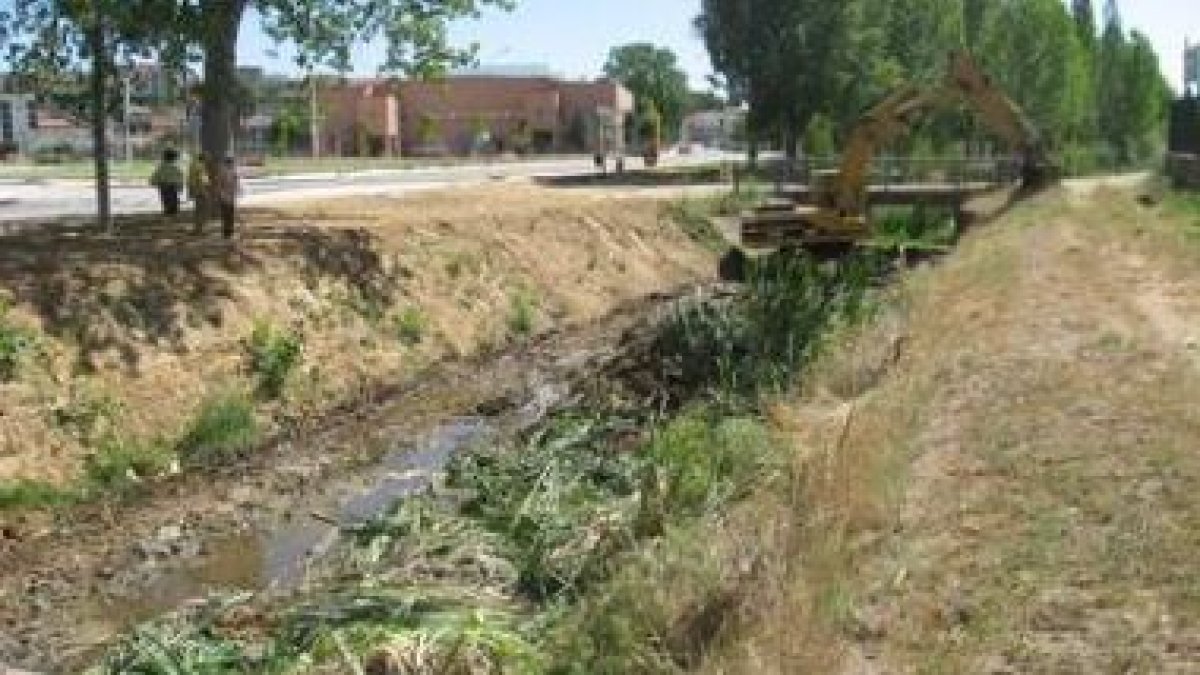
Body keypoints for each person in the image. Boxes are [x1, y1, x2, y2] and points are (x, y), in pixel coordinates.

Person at [149, 148, 184, 216]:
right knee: (174, 206)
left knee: (166, 204)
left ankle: (168, 215)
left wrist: (158, 184)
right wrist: (180, 188)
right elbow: (180, 179)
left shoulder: (161, 168)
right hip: (173, 189)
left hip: (164, 188)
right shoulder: (176, 168)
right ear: (174, 158)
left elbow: (153, 179)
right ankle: (172, 217)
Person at [214, 155, 241, 239]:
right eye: (231, 162)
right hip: (228, 196)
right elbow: (235, 184)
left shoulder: (226, 172)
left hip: (227, 196)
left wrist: (220, 194)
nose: (232, 164)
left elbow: (219, 185)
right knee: (228, 214)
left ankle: (227, 232)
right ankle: (228, 231)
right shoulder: (230, 172)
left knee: (227, 215)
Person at [186, 151, 211, 234]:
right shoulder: (201, 167)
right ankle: (200, 228)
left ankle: (197, 228)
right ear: (204, 158)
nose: (208, 160)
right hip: (200, 191)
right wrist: (205, 192)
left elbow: (190, 180)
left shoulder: (193, 165)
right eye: (208, 158)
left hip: (195, 190)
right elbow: (202, 181)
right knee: (202, 210)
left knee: (198, 210)